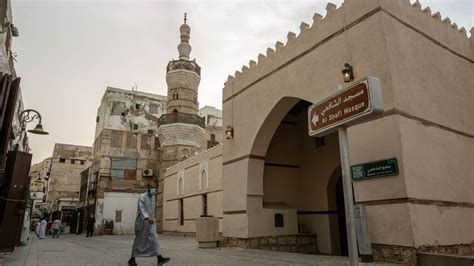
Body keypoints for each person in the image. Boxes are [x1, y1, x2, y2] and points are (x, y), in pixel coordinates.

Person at [128, 182, 170, 266]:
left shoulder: (153, 197)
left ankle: (159, 258)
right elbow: (141, 208)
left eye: (155, 187)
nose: (153, 189)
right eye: (151, 187)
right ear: (148, 187)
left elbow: (153, 210)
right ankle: (132, 259)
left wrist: (153, 219)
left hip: (151, 223)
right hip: (142, 222)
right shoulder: (142, 197)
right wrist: (147, 217)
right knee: (139, 241)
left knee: (154, 239)